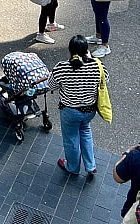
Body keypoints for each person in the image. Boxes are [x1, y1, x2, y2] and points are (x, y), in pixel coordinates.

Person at [48, 35, 106, 180]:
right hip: (89, 110)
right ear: (87, 50)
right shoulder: (97, 66)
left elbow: (51, 85)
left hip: (70, 111)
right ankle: (90, 165)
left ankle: (72, 167)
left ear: (70, 50)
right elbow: (106, 80)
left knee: (71, 138)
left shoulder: (62, 67)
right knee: (85, 131)